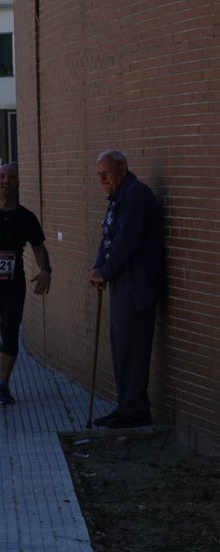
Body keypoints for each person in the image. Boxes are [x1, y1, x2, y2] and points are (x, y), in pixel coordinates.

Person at [88, 149, 163, 428]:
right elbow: (107, 238)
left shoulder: (136, 195)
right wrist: (98, 268)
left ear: (122, 168)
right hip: (122, 283)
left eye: (105, 173)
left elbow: (127, 242)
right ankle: (126, 405)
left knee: (132, 345)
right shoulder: (118, 198)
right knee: (121, 345)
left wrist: (105, 273)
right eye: (98, 174)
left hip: (137, 285)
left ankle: (135, 409)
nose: (101, 179)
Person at [0, 162, 52, 406]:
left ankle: (3, 385)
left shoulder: (26, 217)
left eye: (11, 177)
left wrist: (46, 270)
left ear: (18, 183)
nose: (6, 180)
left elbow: (38, 247)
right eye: (2, 176)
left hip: (12, 285)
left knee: (11, 334)